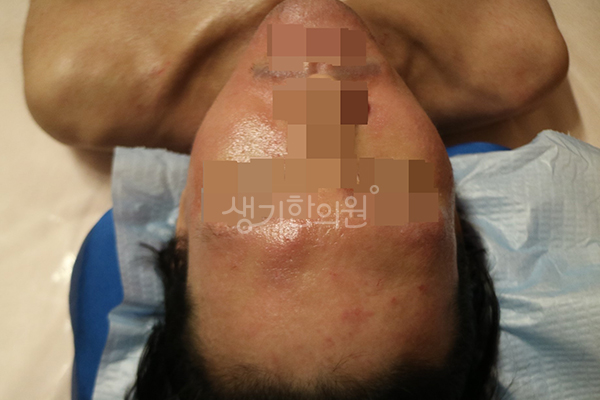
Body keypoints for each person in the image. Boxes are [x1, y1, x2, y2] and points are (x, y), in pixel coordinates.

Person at [22, 0, 570, 399]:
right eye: (384, 186)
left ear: (184, 211)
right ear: (460, 217)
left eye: (259, 186)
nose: (318, 97)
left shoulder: (78, 76)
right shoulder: (510, 54)